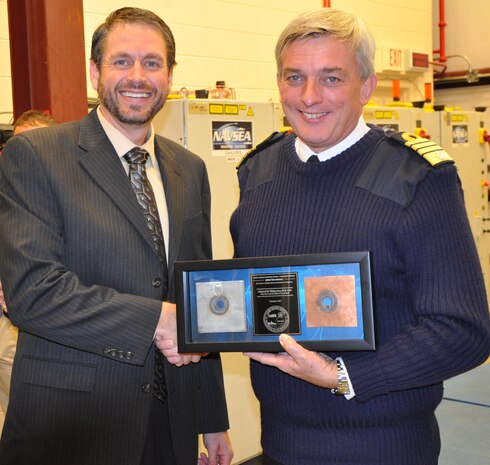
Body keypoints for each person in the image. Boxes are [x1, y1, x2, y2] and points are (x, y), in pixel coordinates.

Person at [230, 8, 490, 465]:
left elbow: (464, 330)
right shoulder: (258, 171)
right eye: (295, 77)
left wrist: (342, 376)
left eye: (332, 78)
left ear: (367, 86)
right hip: (280, 445)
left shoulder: (417, 178)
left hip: (384, 448)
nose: (309, 97)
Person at [0, 7, 232, 465]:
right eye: (122, 61)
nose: (138, 76)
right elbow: (32, 292)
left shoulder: (190, 170)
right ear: (95, 72)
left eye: (152, 63)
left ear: (169, 75)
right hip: (73, 423)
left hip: (171, 420)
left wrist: (211, 417)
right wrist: (157, 321)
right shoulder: (37, 155)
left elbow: (198, 296)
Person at [0, 110, 57, 437]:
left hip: (27, 330)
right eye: (15, 143)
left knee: (34, 427)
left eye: (30, 143)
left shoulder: (66, 195)